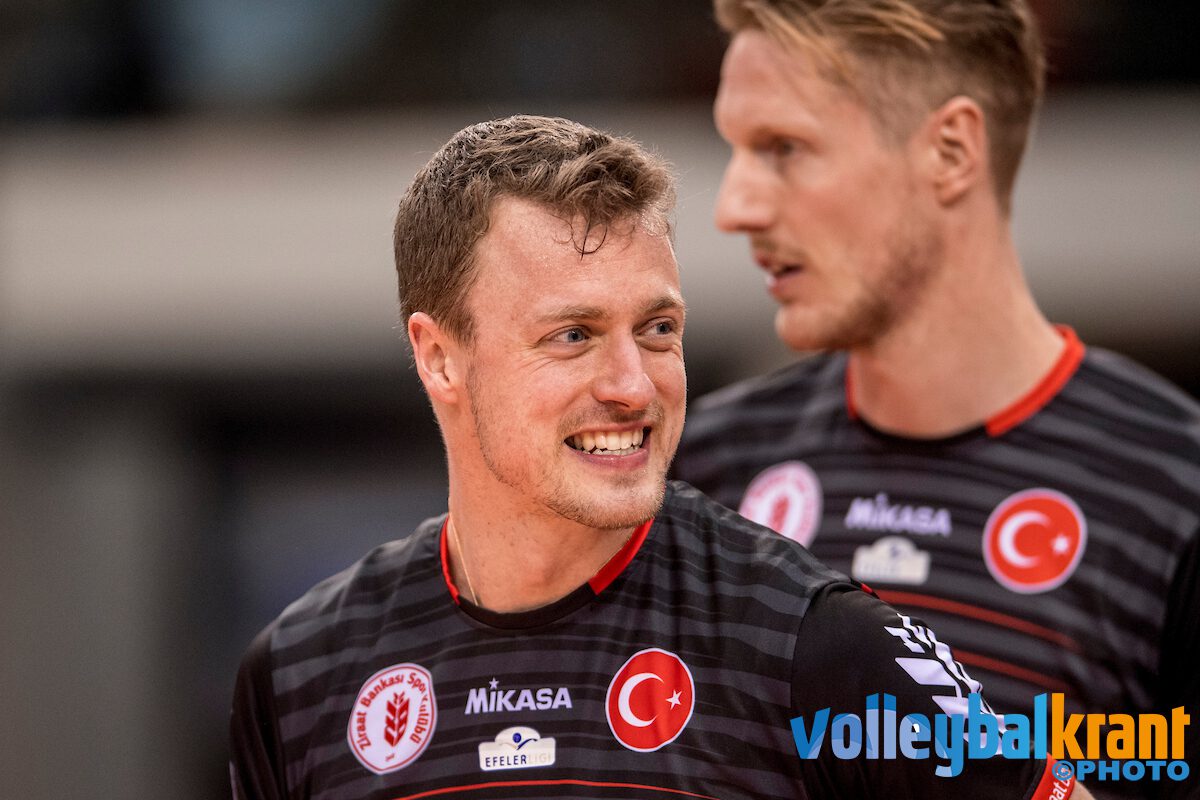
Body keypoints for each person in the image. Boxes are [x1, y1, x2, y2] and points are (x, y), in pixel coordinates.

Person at [229, 115, 1086, 799]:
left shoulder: (818, 645)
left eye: (657, 328)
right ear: (440, 357)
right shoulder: (302, 673)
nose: (634, 386)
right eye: (573, 335)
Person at [672, 2, 1198, 797]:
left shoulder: (1178, 488)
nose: (734, 207)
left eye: (784, 148)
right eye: (736, 149)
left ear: (951, 151)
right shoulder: (703, 471)